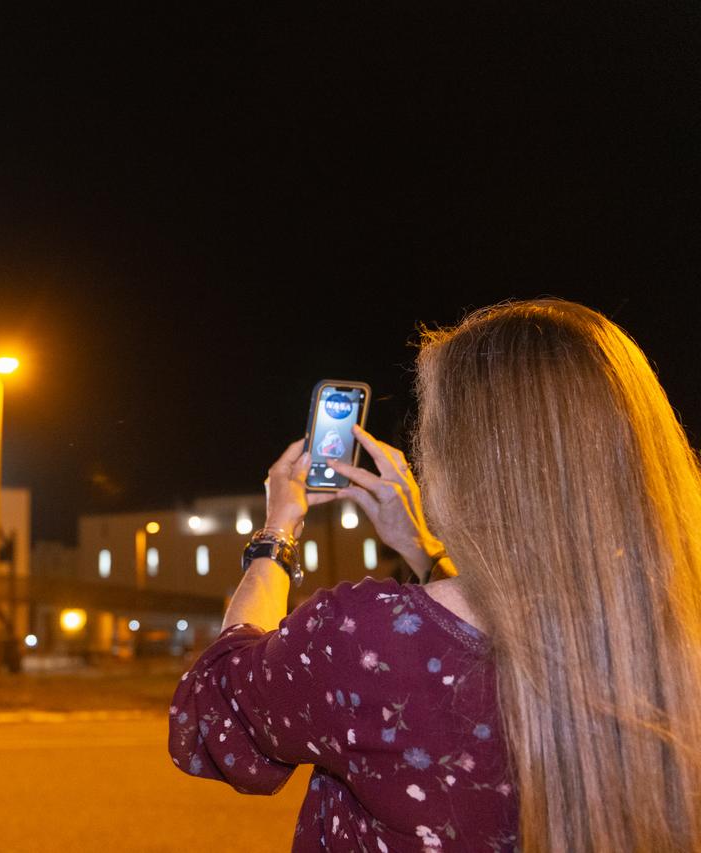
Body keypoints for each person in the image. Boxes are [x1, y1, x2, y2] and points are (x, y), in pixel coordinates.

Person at [168, 299, 701, 852]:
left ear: (463, 462)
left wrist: (276, 535)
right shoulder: (675, 637)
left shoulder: (367, 637)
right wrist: (422, 551)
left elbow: (211, 714)